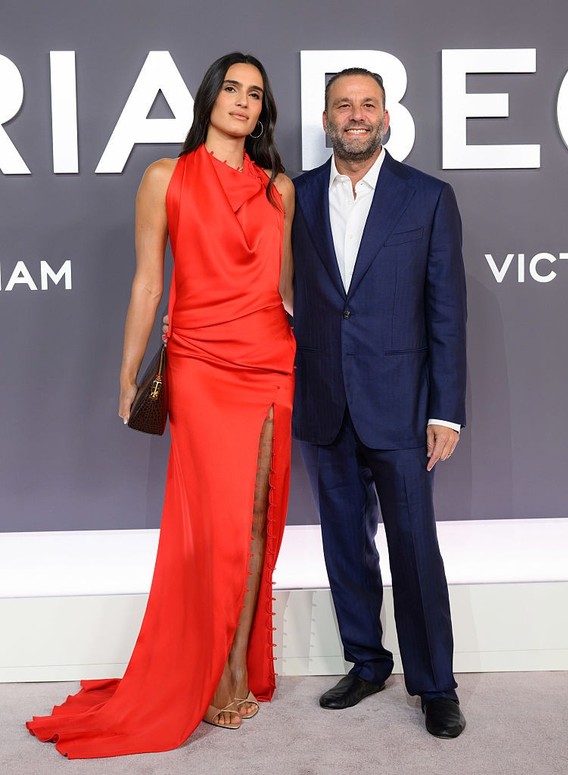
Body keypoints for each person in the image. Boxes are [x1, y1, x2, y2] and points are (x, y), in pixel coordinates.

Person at [26, 52, 296, 758]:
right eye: (231, 88)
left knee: (257, 518)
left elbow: (285, 288)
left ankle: (234, 666)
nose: (242, 101)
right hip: (201, 365)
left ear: (262, 113)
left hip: (270, 360)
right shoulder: (164, 178)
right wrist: (129, 375)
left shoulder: (279, 190)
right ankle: (207, 667)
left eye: (255, 94)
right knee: (215, 525)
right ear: (210, 98)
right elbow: (149, 282)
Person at [292, 68, 467, 738]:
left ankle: (436, 685)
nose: (356, 115)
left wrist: (444, 409)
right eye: (344, 105)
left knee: (414, 548)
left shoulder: (427, 197)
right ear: (327, 119)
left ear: (387, 117)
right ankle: (366, 662)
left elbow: (446, 311)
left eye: (368, 104)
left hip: (402, 407)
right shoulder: (298, 196)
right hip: (324, 402)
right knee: (344, 544)